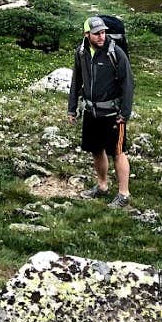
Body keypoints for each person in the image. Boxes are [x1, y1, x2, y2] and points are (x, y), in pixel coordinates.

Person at [68, 15, 135, 208]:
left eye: (103, 32)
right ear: (87, 34)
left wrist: (125, 113)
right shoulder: (81, 53)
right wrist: (72, 109)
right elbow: (76, 81)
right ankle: (102, 185)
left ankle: (123, 193)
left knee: (118, 151)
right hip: (91, 113)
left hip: (114, 115)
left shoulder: (116, 53)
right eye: (97, 33)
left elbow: (128, 84)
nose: (101, 37)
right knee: (96, 150)